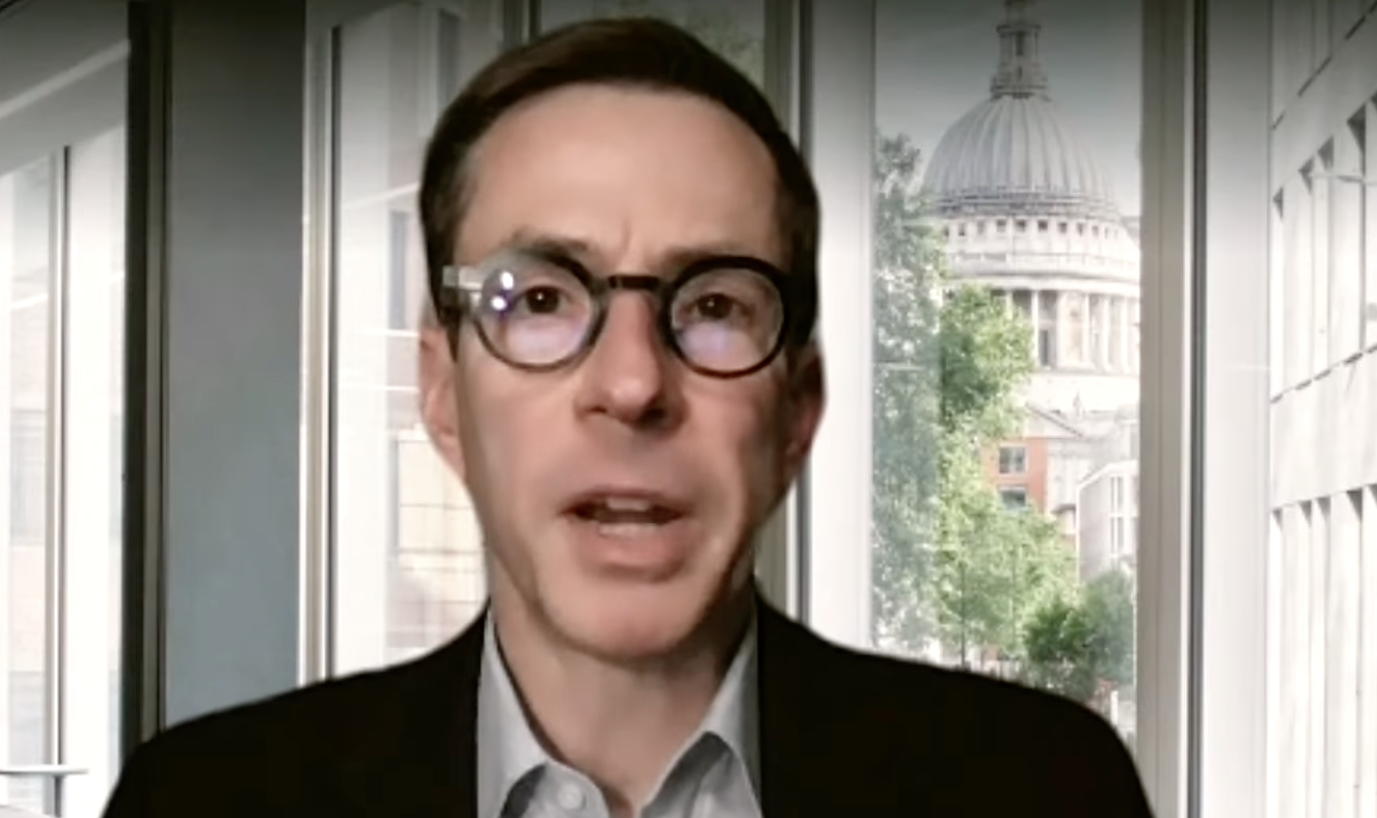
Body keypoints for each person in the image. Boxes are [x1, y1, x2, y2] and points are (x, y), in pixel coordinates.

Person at [102, 17, 1153, 818]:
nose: (634, 382)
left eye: (715, 306)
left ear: (798, 411)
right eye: (541, 298)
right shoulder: (199, 801)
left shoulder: (1043, 789)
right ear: (443, 391)